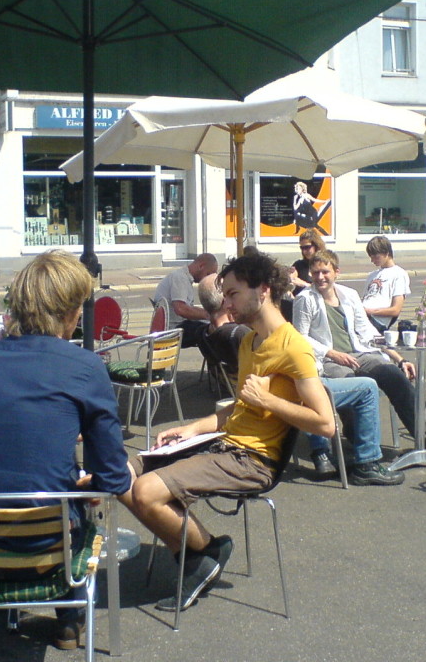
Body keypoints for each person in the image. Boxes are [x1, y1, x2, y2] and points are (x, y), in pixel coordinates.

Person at [123, 252, 334, 612]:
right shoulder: (250, 342)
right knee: (119, 474)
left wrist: (269, 400)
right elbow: (237, 410)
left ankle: (202, 554)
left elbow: (325, 424)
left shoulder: (293, 347)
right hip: (224, 444)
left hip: (253, 460)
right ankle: (201, 553)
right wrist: (189, 429)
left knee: (145, 492)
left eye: (233, 293)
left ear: (263, 290)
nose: (227, 303)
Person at [0, 250, 131, 651]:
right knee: (71, 494)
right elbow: (114, 478)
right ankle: (68, 618)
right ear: (69, 313)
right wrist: (88, 482)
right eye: (79, 309)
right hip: (50, 547)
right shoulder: (85, 366)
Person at [197, 274, 404, 486]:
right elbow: (284, 359)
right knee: (363, 387)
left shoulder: (208, 333)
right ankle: (363, 462)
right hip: (287, 390)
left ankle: (325, 452)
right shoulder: (244, 335)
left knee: (316, 380)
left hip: (271, 391)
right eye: (229, 294)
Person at [292, 249, 426, 454]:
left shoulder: (348, 295)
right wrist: (332, 353)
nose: (320, 277)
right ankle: (358, 438)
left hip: (359, 353)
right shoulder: (305, 299)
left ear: (336, 272)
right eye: (315, 273)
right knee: (352, 383)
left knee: (393, 374)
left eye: (325, 272)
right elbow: (300, 336)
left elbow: (367, 331)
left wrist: (399, 358)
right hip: (328, 361)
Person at [153, 252, 218, 348]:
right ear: (201, 266)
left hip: (176, 327)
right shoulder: (180, 278)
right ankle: (216, 361)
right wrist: (209, 315)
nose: (207, 279)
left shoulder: (184, 278)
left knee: (211, 328)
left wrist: (208, 313)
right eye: (208, 274)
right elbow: (181, 309)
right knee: (212, 331)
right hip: (173, 330)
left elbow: (188, 308)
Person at [361, 235, 411, 332]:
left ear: (386, 253)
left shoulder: (399, 274)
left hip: (376, 321)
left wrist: (369, 312)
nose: (372, 260)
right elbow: (366, 299)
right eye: (371, 257)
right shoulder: (372, 275)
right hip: (363, 316)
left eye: (376, 256)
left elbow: (395, 310)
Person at [289, 228, 325, 296]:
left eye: (307, 247)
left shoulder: (325, 265)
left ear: (316, 246)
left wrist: (304, 284)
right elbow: (292, 278)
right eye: (302, 248)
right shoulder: (299, 265)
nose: (304, 251)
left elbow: (326, 289)